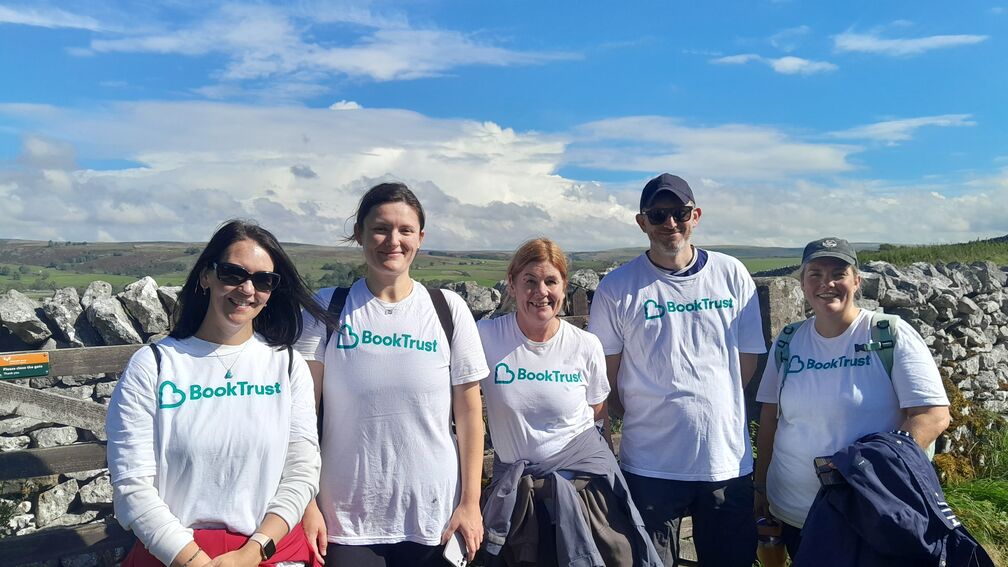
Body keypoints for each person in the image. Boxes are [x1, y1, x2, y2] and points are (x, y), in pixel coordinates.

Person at [106, 220, 328, 567]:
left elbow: (301, 472)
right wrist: (194, 561)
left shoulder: (287, 366)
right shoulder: (154, 366)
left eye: (263, 280)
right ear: (205, 276)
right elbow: (132, 486)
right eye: (232, 273)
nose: (247, 289)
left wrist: (250, 554)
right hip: (173, 558)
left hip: (265, 555)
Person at [295, 182, 489, 567]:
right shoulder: (328, 307)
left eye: (405, 230)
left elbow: (469, 417)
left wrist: (470, 503)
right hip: (345, 521)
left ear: (420, 237)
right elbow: (299, 415)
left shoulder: (447, 309)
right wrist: (306, 505)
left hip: (435, 518)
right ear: (360, 234)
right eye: (381, 228)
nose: (392, 241)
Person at [588, 173, 767, 567]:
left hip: (724, 459)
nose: (670, 223)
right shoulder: (617, 288)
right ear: (642, 222)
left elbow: (746, 365)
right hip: (650, 464)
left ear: (696, 215)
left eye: (680, 212)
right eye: (658, 214)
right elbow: (606, 378)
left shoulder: (732, 274)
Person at [753, 237, 951, 559]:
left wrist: (873, 470)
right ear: (802, 283)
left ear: (856, 281)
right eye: (814, 273)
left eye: (838, 273)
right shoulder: (789, 341)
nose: (826, 283)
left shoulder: (889, 334)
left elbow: (932, 415)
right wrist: (761, 487)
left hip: (869, 513)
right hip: (793, 510)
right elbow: (769, 418)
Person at [478, 238, 661, 567]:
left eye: (551, 281)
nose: (541, 292)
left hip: (585, 495)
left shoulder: (585, 345)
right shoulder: (485, 337)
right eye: (530, 281)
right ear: (512, 285)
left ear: (564, 285)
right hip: (519, 501)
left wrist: (610, 474)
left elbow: (599, 415)